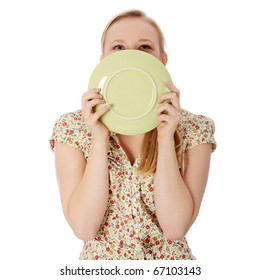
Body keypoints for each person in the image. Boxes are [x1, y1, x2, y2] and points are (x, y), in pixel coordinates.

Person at [49, 10, 216, 260]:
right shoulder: (72, 128)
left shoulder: (194, 128)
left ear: (162, 59)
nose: (131, 56)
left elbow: (175, 228)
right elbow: (84, 228)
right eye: (118, 47)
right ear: (103, 60)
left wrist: (165, 136)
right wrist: (99, 138)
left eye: (144, 47)